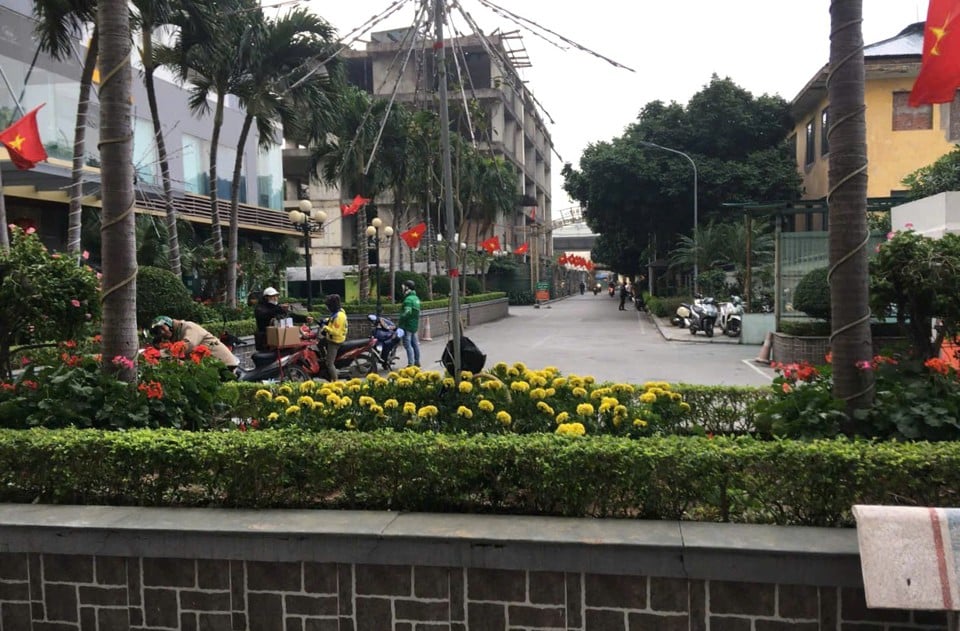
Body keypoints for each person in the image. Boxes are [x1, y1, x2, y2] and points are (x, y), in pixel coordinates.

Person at [150, 315, 240, 369]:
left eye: (162, 328)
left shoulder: (188, 327)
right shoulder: (175, 337)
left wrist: (158, 354)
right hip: (209, 368)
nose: (161, 332)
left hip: (225, 366)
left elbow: (187, 345)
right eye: (158, 332)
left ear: (169, 324)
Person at [253, 287, 313, 351]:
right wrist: (279, 308)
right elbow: (265, 314)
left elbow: (290, 316)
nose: (275, 298)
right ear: (266, 297)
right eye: (272, 296)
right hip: (266, 342)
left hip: (281, 341)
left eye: (276, 296)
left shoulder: (277, 307)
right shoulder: (260, 308)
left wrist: (305, 318)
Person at [320, 294, 347, 381]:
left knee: (329, 363)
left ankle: (335, 381)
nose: (327, 308)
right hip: (330, 338)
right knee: (320, 343)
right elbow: (332, 319)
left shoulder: (339, 317)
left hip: (335, 341)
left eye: (328, 306)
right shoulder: (339, 312)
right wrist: (326, 321)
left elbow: (335, 331)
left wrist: (324, 327)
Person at [397, 279, 421, 367]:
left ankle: (411, 363)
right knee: (415, 344)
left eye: (403, 287)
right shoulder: (416, 298)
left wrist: (401, 320)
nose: (402, 289)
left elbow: (407, 312)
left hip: (407, 325)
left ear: (407, 288)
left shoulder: (408, 300)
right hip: (414, 325)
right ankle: (417, 361)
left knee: (408, 345)